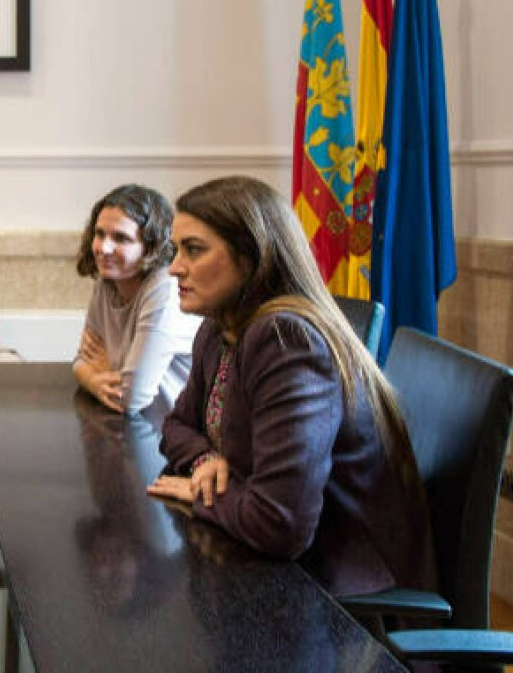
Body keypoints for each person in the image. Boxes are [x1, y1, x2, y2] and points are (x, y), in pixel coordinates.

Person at [145, 175, 434, 597]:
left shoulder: (285, 340)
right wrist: (207, 458)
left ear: (251, 257)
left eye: (194, 249)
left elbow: (280, 523)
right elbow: (176, 426)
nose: (174, 268)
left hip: (339, 596)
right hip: (270, 564)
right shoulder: (218, 327)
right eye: (176, 250)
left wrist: (200, 493)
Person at [72, 184, 201, 414]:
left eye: (121, 238)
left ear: (151, 247)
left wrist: (102, 366)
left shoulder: (165, 289)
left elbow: (131, 398)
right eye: (100, 234)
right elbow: (81, 361)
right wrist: (92, 380)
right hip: (128, 427)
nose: (104, 248)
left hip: (170, 436)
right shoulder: (107, 282)